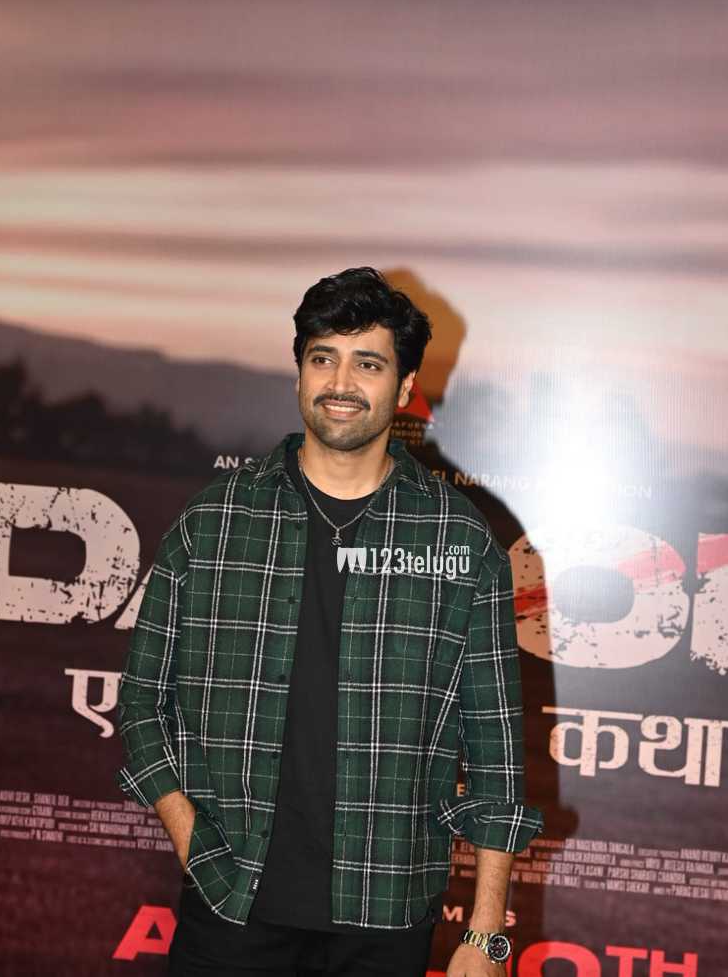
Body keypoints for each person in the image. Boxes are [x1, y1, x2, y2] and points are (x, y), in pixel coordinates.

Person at [117, 266, 543, 977]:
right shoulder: (214, 521)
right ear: (299, 374)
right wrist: (192, 839)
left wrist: (486, 933)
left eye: (368, 363)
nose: (341, 382)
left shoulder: (459, 540)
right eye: (324, 358)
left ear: (405, 388)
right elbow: (140, 701)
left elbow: (496, 747)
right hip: (230, 904)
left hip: (385, 917)